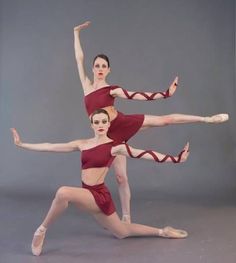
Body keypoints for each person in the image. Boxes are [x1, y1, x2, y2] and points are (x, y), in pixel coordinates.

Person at [73, 21, 229, 223]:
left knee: (164, 120)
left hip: (121, 123)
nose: (100, 68)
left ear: (109, 70)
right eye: (97, 66)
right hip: (106, 136)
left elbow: (137, 95)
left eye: (104, 66)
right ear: (92, 69)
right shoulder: (86, 86)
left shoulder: (112, 89)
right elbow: (79, 58)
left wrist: (165, 94)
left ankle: (207, 119)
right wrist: (76, 33)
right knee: (121, 177)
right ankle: (125, 216)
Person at [11, 109, 190, 256]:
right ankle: (162, 231)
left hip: (99, 196)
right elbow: (51, 146)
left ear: (109, 123)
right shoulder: (83, 143)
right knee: (122, 232)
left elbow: (144, 154)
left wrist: (175, 159)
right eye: (96, 122)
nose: (100, 125)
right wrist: (23, 144)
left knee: (63, 192)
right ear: (92, 125)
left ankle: (40, 231)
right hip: (87, 194)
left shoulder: (116, 146)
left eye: (104, 122)